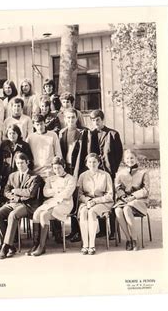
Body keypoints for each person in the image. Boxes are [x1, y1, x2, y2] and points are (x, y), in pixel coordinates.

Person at [0, 152, 42, 259]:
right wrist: (15, 197)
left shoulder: (35, 176)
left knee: (13, 215)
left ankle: (5, 247)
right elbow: (6, 191)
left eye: (22, 163)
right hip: (14, 202)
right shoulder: (12, 175)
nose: (20, 165)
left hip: (28, 205)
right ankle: (9, 245)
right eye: (18, 163)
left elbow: (30, 193)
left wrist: (15, 191)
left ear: (27, 162)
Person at [28, 157, 76, 256]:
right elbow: (45, 193)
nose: (57, 170)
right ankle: (35, 244)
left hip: (65, 204)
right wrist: (57, 191)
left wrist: (54, 193)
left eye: (59, 168)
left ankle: (42, 247)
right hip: (52, 201)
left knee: (44, 215)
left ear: (64, 167)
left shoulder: (70, 178)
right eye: (54, 168)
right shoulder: (50, 179)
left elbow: (67, 194)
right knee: (36, 214)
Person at [88, 109, 124, 240]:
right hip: (96, 173)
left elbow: (119, 154)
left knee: (110, 199)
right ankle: (102, 230)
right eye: (93, 120)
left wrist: (112, 168)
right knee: (98, 197)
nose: (96, 122)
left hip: (109, 173)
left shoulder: (113, 134)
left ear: (102, 120)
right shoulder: (90, 134)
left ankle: (113, 231)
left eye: (98, 120)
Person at [57, 108, 89, 243]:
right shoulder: (62, 133)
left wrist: (77, 173)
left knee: (76, 200)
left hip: (77, 168)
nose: (70, 120)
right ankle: (72, 231)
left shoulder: (83, 132)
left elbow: (84, 153)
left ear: (77, 118)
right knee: (67, 199)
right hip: (66, 169)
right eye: (68, 118)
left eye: (73, 118)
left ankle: (79, 231)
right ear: (65, 119)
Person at [77, 153, 113, 255]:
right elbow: (79, 195)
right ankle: (85, 245)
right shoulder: (82, 176)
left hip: (103, 202)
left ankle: (92, 245)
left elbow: (110, 195)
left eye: (94, 162)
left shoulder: (105, 175)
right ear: (86, 163)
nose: (92, 164)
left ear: (99, 163)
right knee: (83, 212)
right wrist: (87, 200)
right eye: (90, 162)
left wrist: (95, 201)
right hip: (87, 202)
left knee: (92, 212)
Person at [114, 149, 150, 251]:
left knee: (127, 209)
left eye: (132, 158)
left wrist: (133, 196)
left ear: (136, 159)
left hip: (139, 200)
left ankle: (135, 239)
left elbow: (146, 190)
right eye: (127, 158)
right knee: (118, 210)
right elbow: (117, 187)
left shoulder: (143, 172)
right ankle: (128, 239)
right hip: (125, 199)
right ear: (124, 160)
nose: (130, 160)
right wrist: (123, 196)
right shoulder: (120, 173)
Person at [0, 124, 34, 199]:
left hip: (18, 175)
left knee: (16, 193)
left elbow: (29, 162)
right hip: (5, 175)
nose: (12, 135)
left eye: (14, 133)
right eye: (10, 133)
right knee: (5, 195)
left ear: (18, 134)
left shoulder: (24, 145)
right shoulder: (4, 144)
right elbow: (0, 160)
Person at [26, 114, 60, 179]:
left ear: (44, 123)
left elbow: (58, 154)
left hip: (50, 172)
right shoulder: (30, 137)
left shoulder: (53, 135)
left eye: (41, 124)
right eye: (37, 125)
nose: (40, 127)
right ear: (34, 125)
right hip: (35, 172)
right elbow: (27, 156)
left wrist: (56, 169)